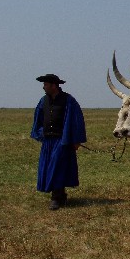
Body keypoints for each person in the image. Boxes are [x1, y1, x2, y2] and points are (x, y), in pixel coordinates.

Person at [30, 74, 87, 210]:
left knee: (56, 168)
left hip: (62, 141)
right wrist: (39, 133)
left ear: (54, 85)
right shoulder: (43, 101)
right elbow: (38, 119)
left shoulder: (68, 100)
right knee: (50, 168)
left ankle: (55, 198)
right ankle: (60, 195)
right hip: (48, 141)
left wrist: (76, 140)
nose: (44, 87)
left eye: (46, 85)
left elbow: (76, 121)